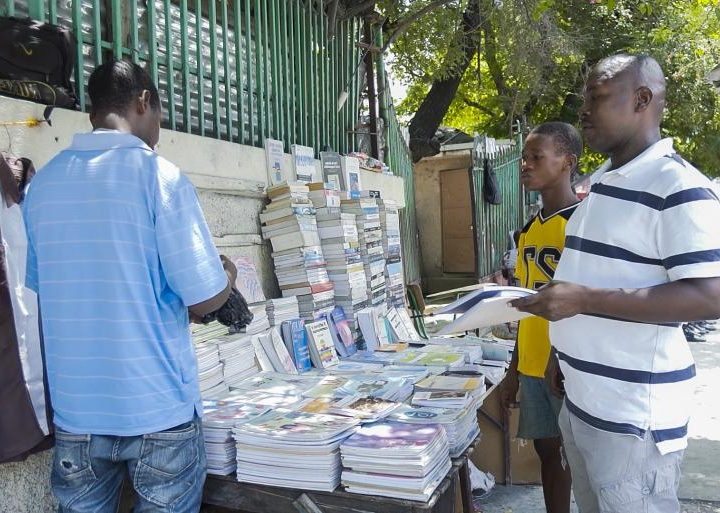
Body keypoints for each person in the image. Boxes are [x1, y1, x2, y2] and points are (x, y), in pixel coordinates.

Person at [23, 60, 237, 512]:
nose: (159, 126)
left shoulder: (43, 187)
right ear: (144, 102)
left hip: (77, 416)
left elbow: (50, 289)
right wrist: (228, 278)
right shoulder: (160, 178)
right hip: (157, 411)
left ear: (91, 114)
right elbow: (205, 297)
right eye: (160, 113)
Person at [512, 54, 720, 513]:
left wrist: (583, 301)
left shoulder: (677, 186)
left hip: (631, 420)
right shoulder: (602, 183)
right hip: (583, 399)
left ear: (642, 99)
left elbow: (710, 295)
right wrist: (563, 354)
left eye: (597, 97)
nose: (583, 110)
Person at [501, 122, 580, 513]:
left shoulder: (583, 223)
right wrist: (516, 363)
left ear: (567, 162)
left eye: (536, 157)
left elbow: (585, 303)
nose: (525, 165)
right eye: (524, 158)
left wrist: (561, 356)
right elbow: (526, 301)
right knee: (547, 453)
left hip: (566, 365)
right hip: (533, 360)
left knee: (577, 458)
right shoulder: (529, 230)